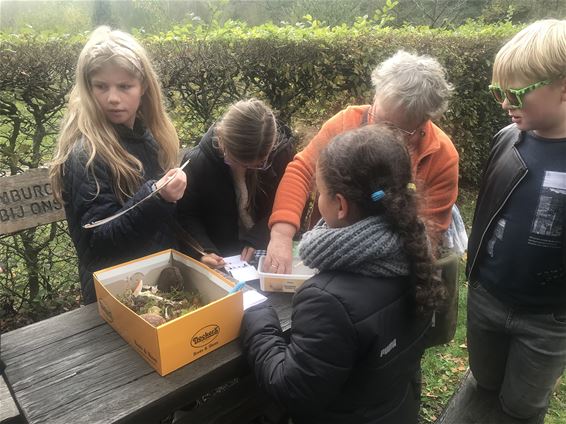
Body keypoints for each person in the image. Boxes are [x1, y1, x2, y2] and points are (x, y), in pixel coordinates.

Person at [241, 124, 446, 424]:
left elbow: (292, 391)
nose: (317, 199)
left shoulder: (328, 301)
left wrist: (257, 313)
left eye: (320, 193)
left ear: (340, 205)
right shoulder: (416, 250)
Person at [264, 50, 459, 274]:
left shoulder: (442, 156)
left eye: (393, 128)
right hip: (326, 258)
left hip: (385, 273)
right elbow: (302, 171)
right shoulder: (346, 121)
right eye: (378, 116)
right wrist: (281, 234)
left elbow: (422, 237)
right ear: (376, 96)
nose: (377, 130)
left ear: (423, 122)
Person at [466, 19, 566, 422]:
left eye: (516, 93)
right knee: (484, 381)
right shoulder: (507, 140)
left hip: (548, 318)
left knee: (521, 407)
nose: (505, 103)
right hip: (487, 297)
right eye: (498, 92)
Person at [49, 26, 187, 304]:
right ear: (88, 88)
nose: (113, 98)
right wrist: (156, 197)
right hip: (113, 298)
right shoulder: (86, 155)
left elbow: (163, 225)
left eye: (125, 86)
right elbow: (98, 248)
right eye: (101, 86)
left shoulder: (149, 136)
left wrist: (198, 249)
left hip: (152, 287)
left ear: (144, 87)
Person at [177, 99, 293, 268]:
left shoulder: (281, 155)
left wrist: (259, 236)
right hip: (222, 256)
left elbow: (288, 205)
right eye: (234, 160)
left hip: (267, 249)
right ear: (222, 141)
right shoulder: (197, 163)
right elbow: (186, 215)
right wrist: (203, 251)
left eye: (260, 164)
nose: (245, 169)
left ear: (271, 149)